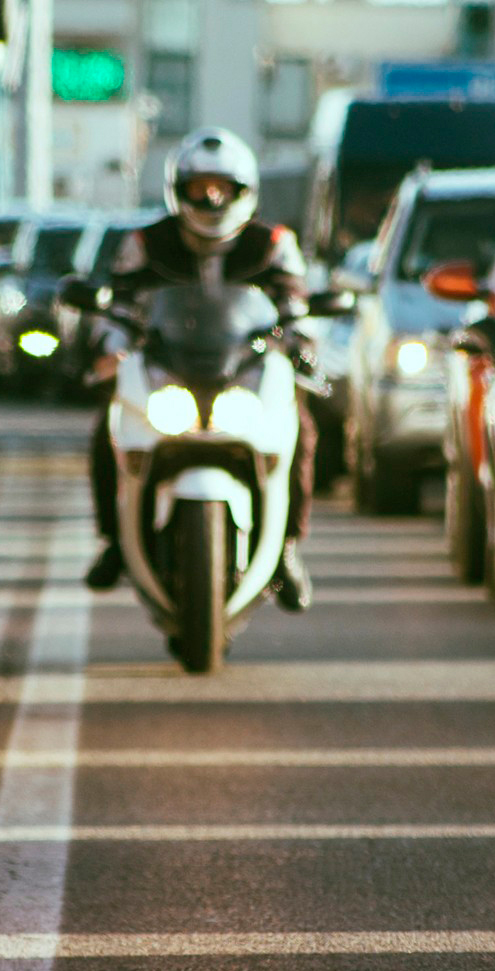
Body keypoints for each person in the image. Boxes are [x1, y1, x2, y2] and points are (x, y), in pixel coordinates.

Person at [84, 127, 319, 613]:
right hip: (169, 371)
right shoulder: (146, 242)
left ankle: (288, 547)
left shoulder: (273, 243)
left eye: (221, 187)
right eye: (199, 187)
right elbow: (119, 308)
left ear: (243, 191)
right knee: (108, 428)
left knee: (301, 427)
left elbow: (296, 309)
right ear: (179, 191)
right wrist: (110, 349)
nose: (211, 198)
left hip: (245, 373)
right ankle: (113, 540)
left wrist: (304, 348)